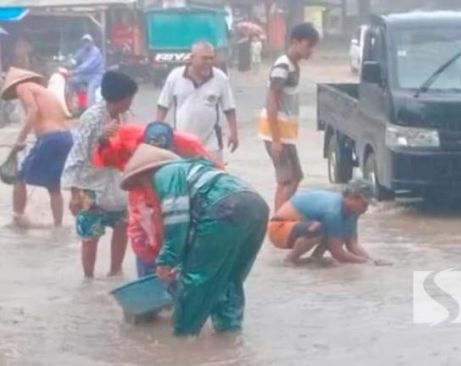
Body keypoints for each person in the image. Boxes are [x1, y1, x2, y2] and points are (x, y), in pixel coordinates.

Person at [120, 144, 269, 336]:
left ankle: (184, 340)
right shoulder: (197, 170)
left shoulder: (165, 174)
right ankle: (229, 335)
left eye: (142, 183)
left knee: (195, 281)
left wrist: (167, 261)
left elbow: (177, 220)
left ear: (146, 174)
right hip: (256, 206)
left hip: (224, 209)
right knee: (231, 278)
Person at [93, 121, 224, 277]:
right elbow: (106, 159)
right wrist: (102, 140)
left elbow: (213, 177)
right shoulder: (128, 142)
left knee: (181, 245)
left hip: (175, 201)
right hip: (143, 206)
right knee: (145, 247)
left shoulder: (188, 147)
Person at [61, 71, 138, 278]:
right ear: (119, 98)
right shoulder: (92, 118)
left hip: (117, 182)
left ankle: (115, 271)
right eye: (129, 98)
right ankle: (88, 278)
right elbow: (78, 155)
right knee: (90, 237)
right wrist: (74, 193)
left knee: (122, 227)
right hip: (91, 186)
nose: (131, 102)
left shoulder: (124, 116)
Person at [1, 67, 74, 228]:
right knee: (53, 186)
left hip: (50, 138)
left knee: (19, 178)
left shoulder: (23, 87)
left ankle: (17, 219)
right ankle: (58, 226)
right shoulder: (42, 90)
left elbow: (33, 111)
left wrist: (20, 139)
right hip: (64, 137)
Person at [258, 23, 320, 210]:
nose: (311, 51)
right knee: (290, 180)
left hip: (284, 134)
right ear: (295, 42)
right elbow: (272, 103)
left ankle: (278, 219)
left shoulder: (293, 66)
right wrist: (276, 140)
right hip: (276, 133)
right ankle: (278, 222)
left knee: (291, 179)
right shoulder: (282, 67)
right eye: (308, 45)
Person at [268, 180, 389, 266]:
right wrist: (365, 263)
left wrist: (372, 261)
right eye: (364, 204)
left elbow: (352, 244)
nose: (366, 209)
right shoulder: (333, 211)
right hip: (278, 229)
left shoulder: (352, 211)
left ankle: (315, 259)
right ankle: (290, 260)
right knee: (320, 229)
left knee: (335, 232)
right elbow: (336, 251)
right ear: (352, 198)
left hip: (299, 228)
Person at [156, 41, 239, 159]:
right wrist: (157, 129)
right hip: (181, 141)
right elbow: (163, 105)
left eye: (211, 58)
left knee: (213, 175)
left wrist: (234, 133)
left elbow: (229, 108)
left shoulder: (220, 78)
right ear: (191, 58)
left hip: (211, 144)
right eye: (204, 59)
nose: (208, 62)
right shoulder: (175, 76)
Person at [71, 34, 105, 107]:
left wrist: (75, 71)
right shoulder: (81, 51)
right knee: (73, 81)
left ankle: (90, 109)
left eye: (88, 41)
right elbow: (75, 59)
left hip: (96, 76)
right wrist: (69, 64)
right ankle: (80, 104)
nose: (86, 43)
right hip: (84, 75)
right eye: (84, 42)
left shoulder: (95, 52)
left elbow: (87, 66)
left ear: (92, 42)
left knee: (91, 89)